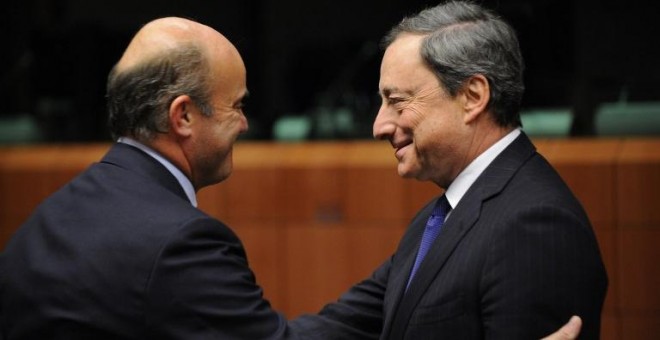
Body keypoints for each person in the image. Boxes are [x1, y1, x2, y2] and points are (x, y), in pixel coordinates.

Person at [0, 10, 585, 340]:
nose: (246, 125)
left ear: (473, 96)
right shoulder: (178, 241)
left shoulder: (48, 218)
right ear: (183, 116)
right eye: (235, 106)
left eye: (397, 101)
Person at [292, 1, 608, 339]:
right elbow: (339, 328)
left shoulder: (535, 225)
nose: (379, 125)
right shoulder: (437, 217)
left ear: (472, 96)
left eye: (397, 101)